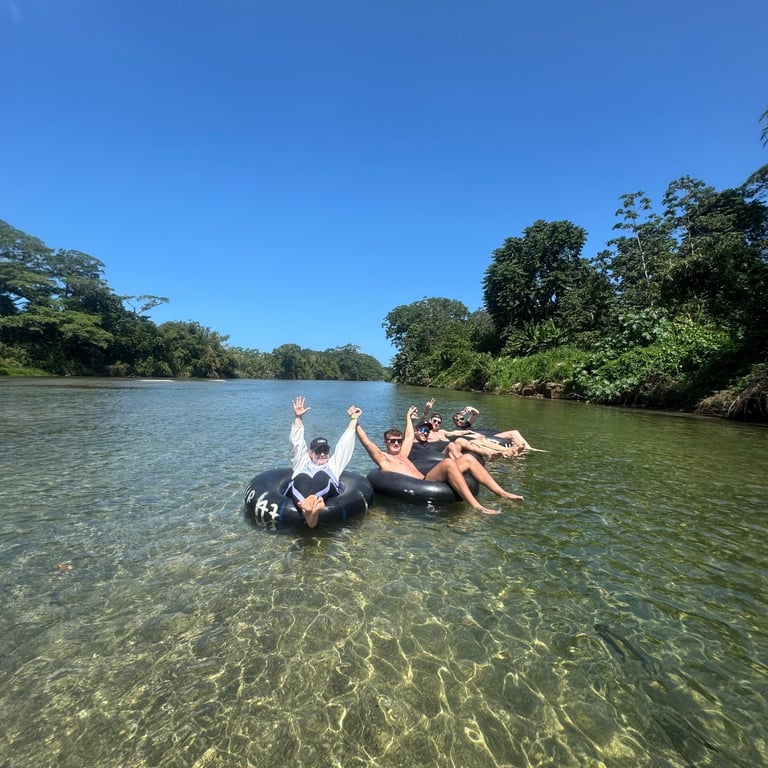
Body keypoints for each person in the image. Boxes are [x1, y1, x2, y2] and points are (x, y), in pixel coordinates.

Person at [354, 406, 524, 515]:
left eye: (398, 440)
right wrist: (355, 421)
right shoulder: (384, 459)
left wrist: (408, 417)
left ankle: (502, 493)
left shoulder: (403, 454)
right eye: (392, 441)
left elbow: (410, 435)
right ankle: (476, 506)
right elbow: (367, 443)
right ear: (386, 442)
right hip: (424, 482)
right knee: (448, 463)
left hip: (426, 477)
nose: (397, 443)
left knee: (468, 458)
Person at [286, 396, 362, 527]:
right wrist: (298, 417)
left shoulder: (333, 464)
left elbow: (345, 444)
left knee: (321, 475)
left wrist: (354, 419)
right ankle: (311, 514)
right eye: (318, 451)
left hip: (325, 485)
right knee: (301, 476)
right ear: (310, 453)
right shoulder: (302, 461)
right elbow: (297, 443)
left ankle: (310, 504)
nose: (322, 454)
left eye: (325, 450)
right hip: (303, 487)